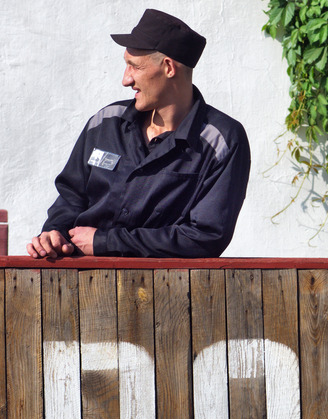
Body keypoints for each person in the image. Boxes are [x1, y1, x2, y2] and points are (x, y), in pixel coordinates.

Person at [27, 9, 250, 258]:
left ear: (168, 67)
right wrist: (53, 232)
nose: (125, 79)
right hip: (74, 283)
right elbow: (71, 196)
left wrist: (106, 242)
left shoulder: (222, 141)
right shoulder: (105, 122)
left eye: (134, 66)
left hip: (164, 290)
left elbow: (205, 237)